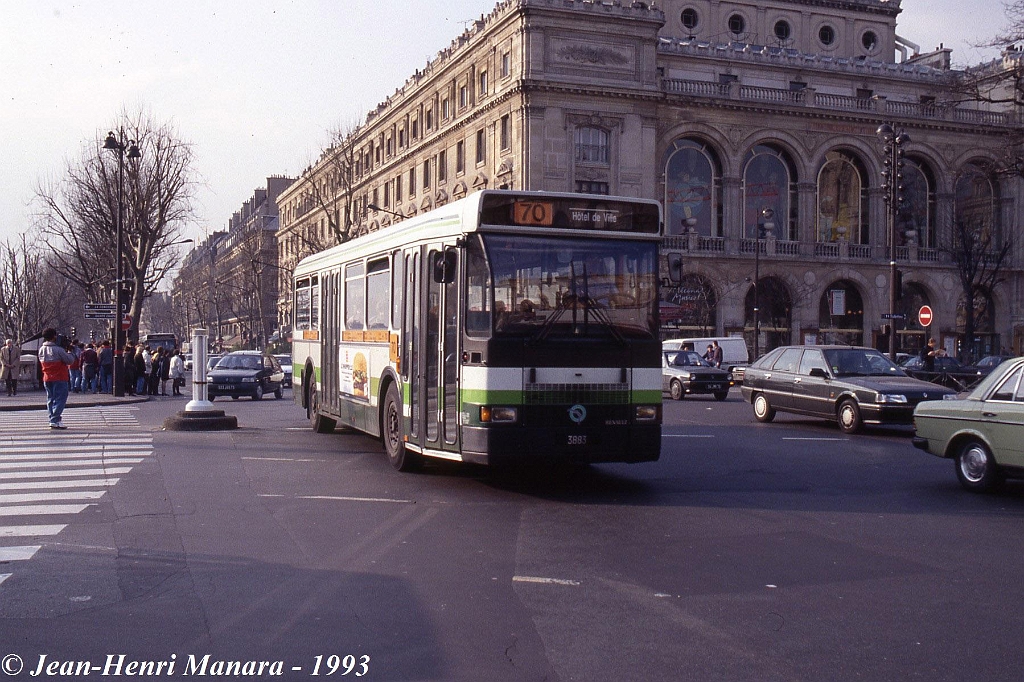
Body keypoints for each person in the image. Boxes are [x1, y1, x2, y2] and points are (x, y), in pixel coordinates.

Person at [38, 328, 75, 429]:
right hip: (59, 376)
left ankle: (52, 418)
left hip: (47, 377)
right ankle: (55, 419)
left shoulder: (41, 349)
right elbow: (70, 361)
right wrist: (70, 351)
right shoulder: (58, 349)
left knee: (50, 398)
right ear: (54, 336)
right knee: (60, 398)